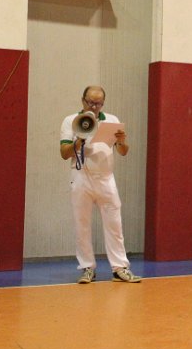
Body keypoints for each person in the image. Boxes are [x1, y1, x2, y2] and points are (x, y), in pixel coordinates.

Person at [60, 86, 142, 284]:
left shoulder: (111, 120)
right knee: (82, 224)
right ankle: (87, 267)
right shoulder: (71, 121)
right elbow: (64, 153)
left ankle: (120, 268)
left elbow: (123, 151)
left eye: (98, 103)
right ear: (83, 100)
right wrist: (79, 139)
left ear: (103, 103)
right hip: (81, 177)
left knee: (114, 223)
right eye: (90, 102)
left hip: (106, 178)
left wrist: (122, 141)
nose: (94, 107)